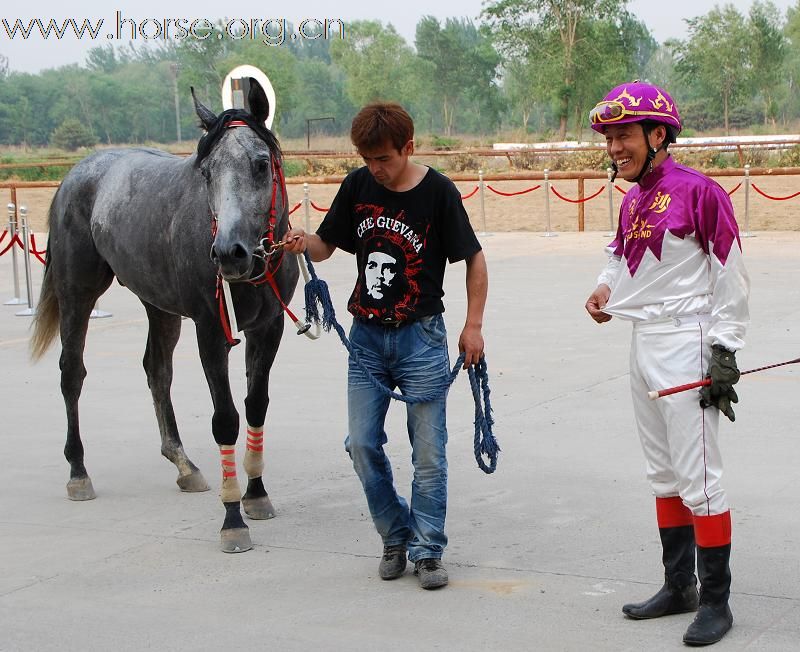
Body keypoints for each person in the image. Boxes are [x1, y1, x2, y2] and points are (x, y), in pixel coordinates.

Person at [284, 102, 488, 590]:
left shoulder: (438, 192)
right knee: (360, 443)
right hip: (367, 340)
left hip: (422, 337)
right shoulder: (357, 186)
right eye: (367, 159)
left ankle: (428, 549)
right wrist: (300, 241)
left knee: (429, 452)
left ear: (408, 148)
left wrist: (473, 325)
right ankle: (395, 534)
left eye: (383, 159)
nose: (375, 169)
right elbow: (326, 245)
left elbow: (475, 260)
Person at [584, 81, 749, 646]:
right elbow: (618, 253)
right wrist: (606, 289)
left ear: (659, 134)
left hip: (688, 343)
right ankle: (678, 586)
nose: (614, 148)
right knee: (663, 475)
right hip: (643, 342)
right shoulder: (632, 197)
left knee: (700, 479)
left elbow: (730, 270)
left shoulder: (700, 192)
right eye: (609, 138)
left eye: (624, 135)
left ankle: (716, 602)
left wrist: (725, 348)